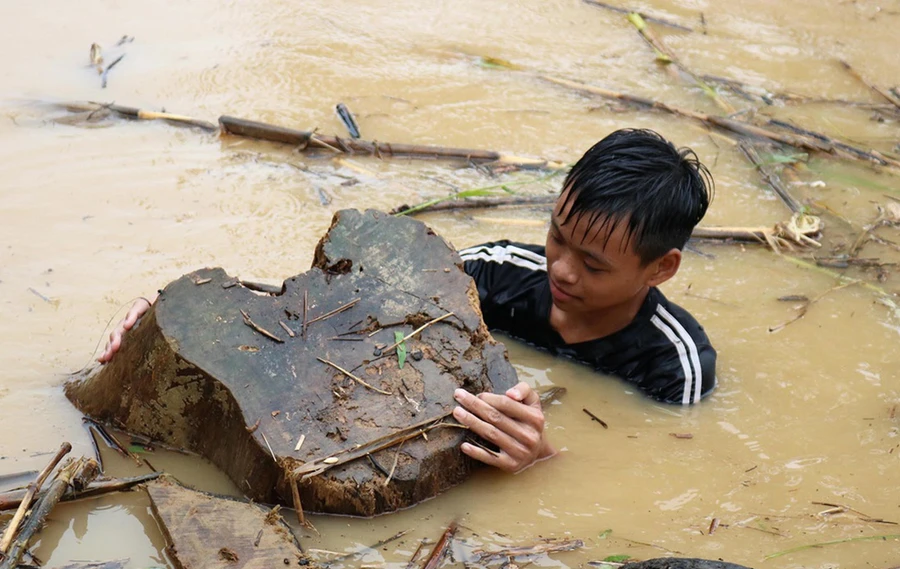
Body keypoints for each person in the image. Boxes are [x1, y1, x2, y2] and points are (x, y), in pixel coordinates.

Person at [98, 128, 716, 475]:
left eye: (594, 264)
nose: (561, 269)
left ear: (661, 269)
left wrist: (545, 459)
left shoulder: (674, 365)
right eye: (556, 235)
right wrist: (185, 311)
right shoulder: (493, 273)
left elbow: (653, 468)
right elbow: (334, 304)